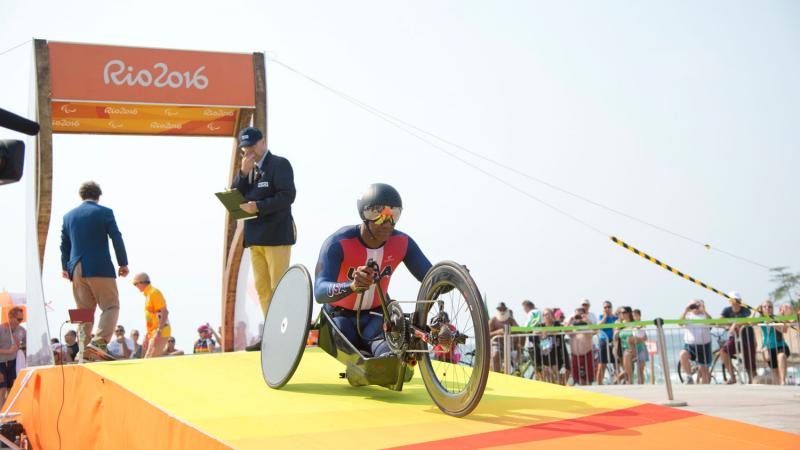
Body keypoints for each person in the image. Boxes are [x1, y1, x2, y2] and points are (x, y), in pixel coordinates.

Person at [314, 183, 432, 358]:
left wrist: (455, 276)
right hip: (339, 318)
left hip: (376, 317)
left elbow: (431, 278)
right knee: (357, 356)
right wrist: (352, 286)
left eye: (394, 214)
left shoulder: (403, 243)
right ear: (364, 215)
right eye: (377, 213)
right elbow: (319, 292)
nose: (386, 222)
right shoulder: (337, 243)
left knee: (387, 359)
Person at [232, 127, 296, 350]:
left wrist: (258, 206)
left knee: (279, 286)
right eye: (245, 148)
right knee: (262, 288)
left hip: (276, 236)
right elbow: (235, 197)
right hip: (254, 238)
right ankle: (272, 332)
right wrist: (242, 174)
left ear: (263, 142)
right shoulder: (247, 170)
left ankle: (287, 332)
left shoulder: (279, 164)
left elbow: (287, 196)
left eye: (252, 146)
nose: (249, 151)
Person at [59, 181, 129, 359]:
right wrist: (123, 263)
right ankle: (99, 342)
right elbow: (116, 237)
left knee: (83, 312)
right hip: (99, 266)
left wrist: (65, 267)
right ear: (98, 196)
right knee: (111, 306)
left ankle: (83, 351)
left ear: (81, 195)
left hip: (75, 268)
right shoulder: (104, 212)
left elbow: (64, 246)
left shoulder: (68, 217)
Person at [719, 291, 756, 384]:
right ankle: (732, 377)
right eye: (733, 300)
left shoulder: (745, 310)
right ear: (729, 301)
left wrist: (735, 324)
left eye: (737, 300)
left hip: (748, 338)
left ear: (740, 300)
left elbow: (749, 320)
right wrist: (728, 325)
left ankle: (753, 382)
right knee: (723, 352)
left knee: (750, 363)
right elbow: (720, 321)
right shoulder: (726, 310)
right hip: (735, 339)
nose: (735, 302)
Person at [132, 272, 171, 358]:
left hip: (160, 331)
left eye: (135, 284)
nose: (135, 286)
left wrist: (159, 331)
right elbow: (153, 318)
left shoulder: (154, 293)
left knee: (150, 359)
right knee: (148, 358)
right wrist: (148, 335)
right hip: (154, 332)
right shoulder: (149, 294)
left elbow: (164, 312)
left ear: (142, 282)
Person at [679, 299, 712, 384]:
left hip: (704, 346)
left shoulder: (704, 315)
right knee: (683, 354)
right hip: (690, 345)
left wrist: (704, 310)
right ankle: (689, 377)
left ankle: (706, 390)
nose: (695, 307)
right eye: (693, 305)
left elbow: (712, 322)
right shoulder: (688, 315)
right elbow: (680, 323)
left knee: (704, 371)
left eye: (697, 305)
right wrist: (686, 310)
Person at [758, 300, 791, 385]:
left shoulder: (777, 318)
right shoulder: (760, 319)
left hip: (781, 345)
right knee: (775, 371)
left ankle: (783, 382)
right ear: (762, 309)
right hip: (768, 347)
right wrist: (755, 311)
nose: (767, 308)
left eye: (769, 307)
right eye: (765, 307)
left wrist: (773, 323)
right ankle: (780, 386)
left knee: (781, 356)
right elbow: (750, 322)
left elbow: (785, 330)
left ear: (772, 309)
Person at [0, 307, 26, 404]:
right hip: (1, 363)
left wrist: (21, 349)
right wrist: (8, 351)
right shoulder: (1, 329)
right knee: (1, 390)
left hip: (14, 363)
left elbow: (28, 344)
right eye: (18, 319)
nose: (20, 322)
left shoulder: (22, 330)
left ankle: (7, 413)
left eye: (21, 319)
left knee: (11, 390)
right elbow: (9, 351)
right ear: (10, 316)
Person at [565, 310, 594, 385]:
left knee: (588, 379)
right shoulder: (572, 328)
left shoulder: (588, 327)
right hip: (576, 357)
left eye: (580, 315)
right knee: (578, 379)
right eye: (577, 316)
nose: (578, 318)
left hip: (587, 355)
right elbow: (565, 330)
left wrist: (586, 319)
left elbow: (595, 330)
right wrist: (571, 320)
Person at [489, 303, 519, 372]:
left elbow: (518, 330)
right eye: (500, 309)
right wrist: (497, 332)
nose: (502, 311)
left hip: (509, 345)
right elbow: (487, 334)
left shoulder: (511, 320)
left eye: (504, 309)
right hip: (496, 344)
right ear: (497, 310)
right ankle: (497, 375)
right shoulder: (493, 320)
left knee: (516, 359)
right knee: (496, 355)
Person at [595, 300, 617, 385]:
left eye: (609, 307)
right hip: (603, 341)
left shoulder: (615, 318)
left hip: (613, 341)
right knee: (602, 364)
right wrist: (605, 317)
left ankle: (616, 381)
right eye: (605, 307)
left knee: (616, 363)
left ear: (611, 308)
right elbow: (598, 326)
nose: (607, 309)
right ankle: (599, 384)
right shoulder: (601, 316)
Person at [614, 306, 637, 384]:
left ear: (629, 313)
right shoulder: (620, 323)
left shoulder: (634, 323)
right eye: (620, 313)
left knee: (629, 368)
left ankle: (618, 381)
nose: (622, 314)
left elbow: (639, 334)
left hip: (633, 348)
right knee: (626, 368)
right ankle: (628, 382)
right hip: (622, 348)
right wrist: (618, 330)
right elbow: (615, 336)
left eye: (624, 312)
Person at [632, 309, 649, 384]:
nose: (634, 317)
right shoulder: (632, 324)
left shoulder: (642, 323)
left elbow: (640, 326)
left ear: (639, 316)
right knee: (635, 369)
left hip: (641, 346)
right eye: (633, 315)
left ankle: (641, 383)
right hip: (634, 347)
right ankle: (638, 383)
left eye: (636, 315)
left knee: (640, 369)